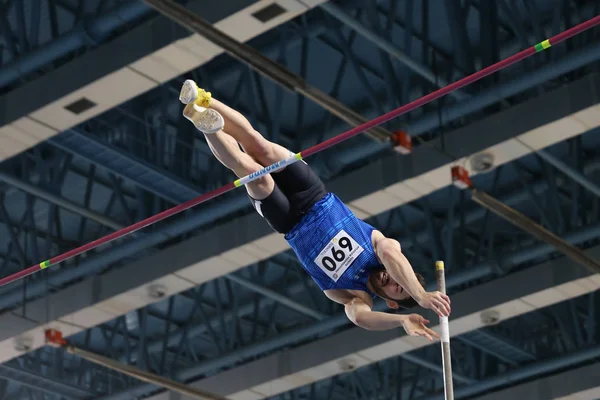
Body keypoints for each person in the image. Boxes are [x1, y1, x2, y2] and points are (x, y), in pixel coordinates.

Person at [179, 80, 451, 340]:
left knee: (253, 173)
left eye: (396, 288)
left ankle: (205, 125)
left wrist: (403, 320)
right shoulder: (383, 246)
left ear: (391, 302)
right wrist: (421, 295)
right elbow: (393, 256)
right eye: (400, 277)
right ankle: (201, 99)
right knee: (259, 146)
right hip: (313, 194)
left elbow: (361, 319)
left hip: (289, 220)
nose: (392, 279)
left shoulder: (355, 296)